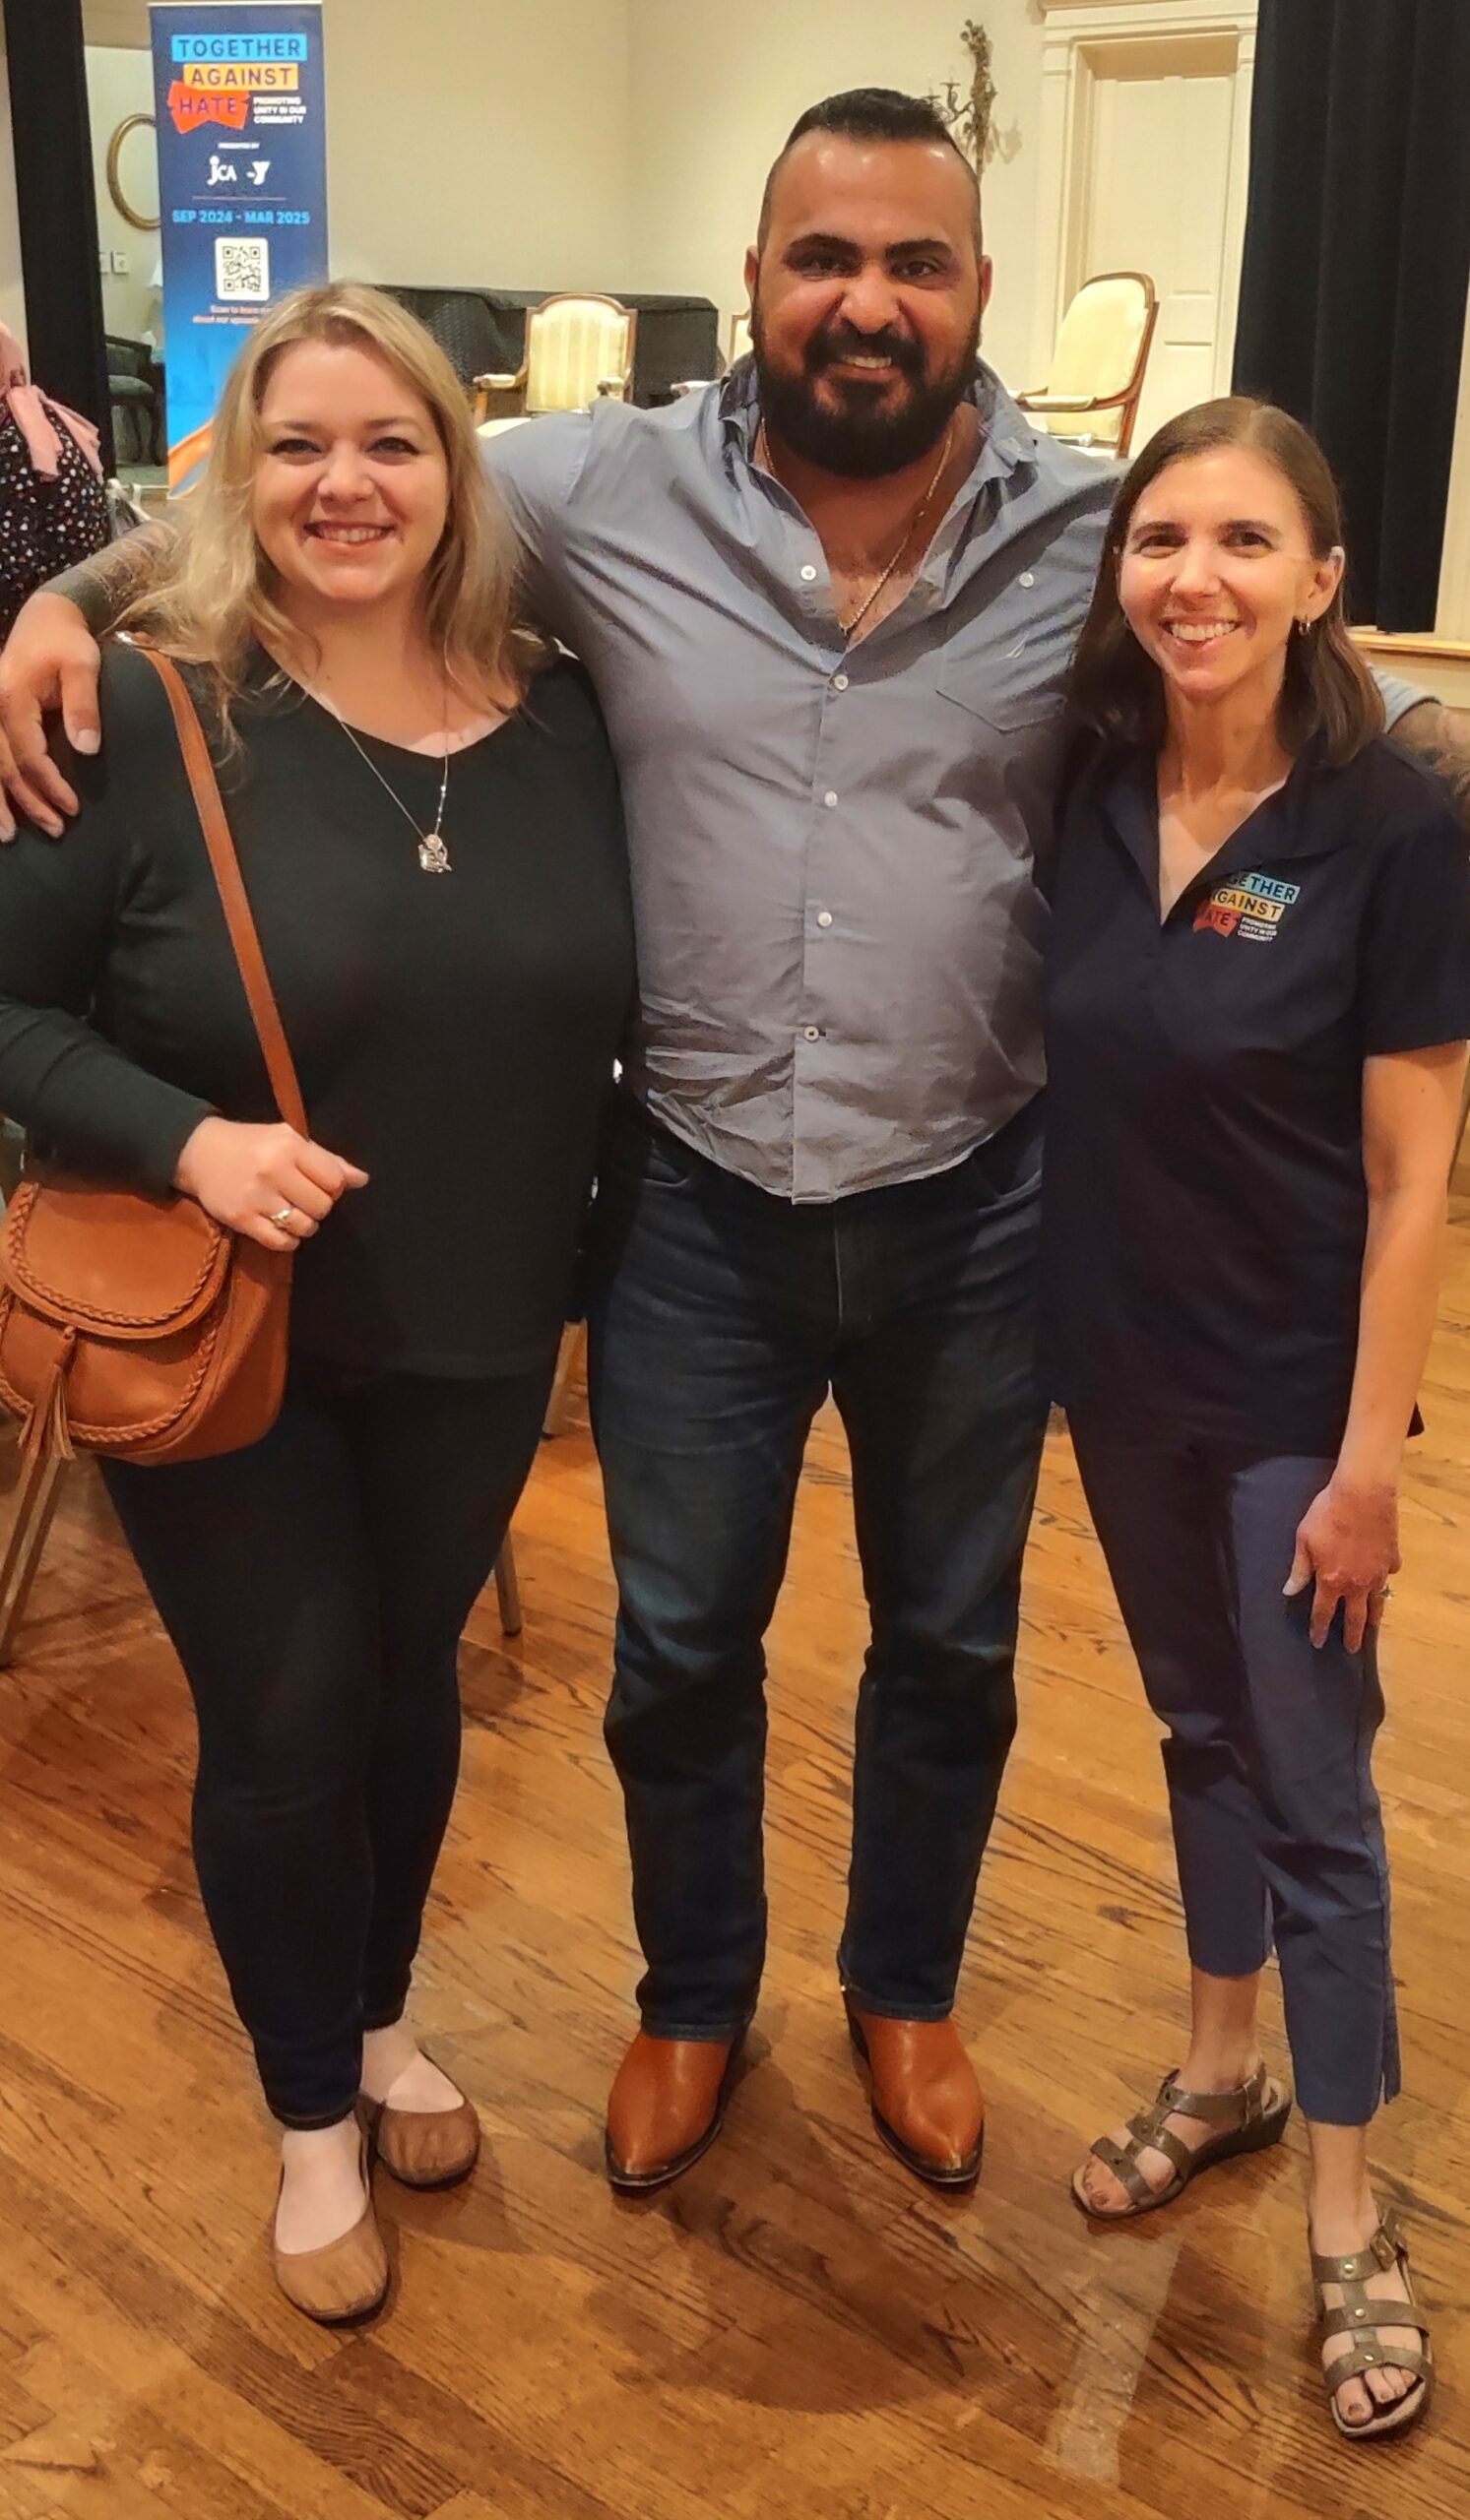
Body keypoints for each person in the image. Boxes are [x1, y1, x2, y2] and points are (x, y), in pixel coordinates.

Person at [2, 92, 1464, 2198]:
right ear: (758, 274)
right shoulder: (593, 486)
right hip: (690, 1189)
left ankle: (905, 1985)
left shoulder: (1083, 528)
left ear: (977, 294)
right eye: (822, 258)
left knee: (950, 1640)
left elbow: (1267, 625)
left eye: (918, 263)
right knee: (680, 1643)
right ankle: (693, 1994)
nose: (866, 301)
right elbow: (339, 467)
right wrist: (76, 600)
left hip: (978, 1188)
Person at [0, 284, 633, 2320]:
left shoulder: (565, 712)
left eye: (390, 442)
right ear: (234, 476)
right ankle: (303, 2124)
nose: (344, 484)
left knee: (408, 1685)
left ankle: (373, 2023)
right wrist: (188, 1140)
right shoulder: (140, 704)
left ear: (461, 468)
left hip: (476, 1312)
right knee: (285, 1713)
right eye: (297, 446)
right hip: (225, 1327)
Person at [1042, 399, 1469, 2443]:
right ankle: (1222, 2071)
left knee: (1313, 1788)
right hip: (1120, 1374)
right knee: (1197, 1733)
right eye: (1158, 536)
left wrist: (1374, 1461)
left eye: (1240, 539)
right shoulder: (1092, 781)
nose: (1191, 574)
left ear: (1320, 578)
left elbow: (1413, 1180)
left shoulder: (1390, 827)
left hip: (1303, 1400)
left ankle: (1351, 2205)